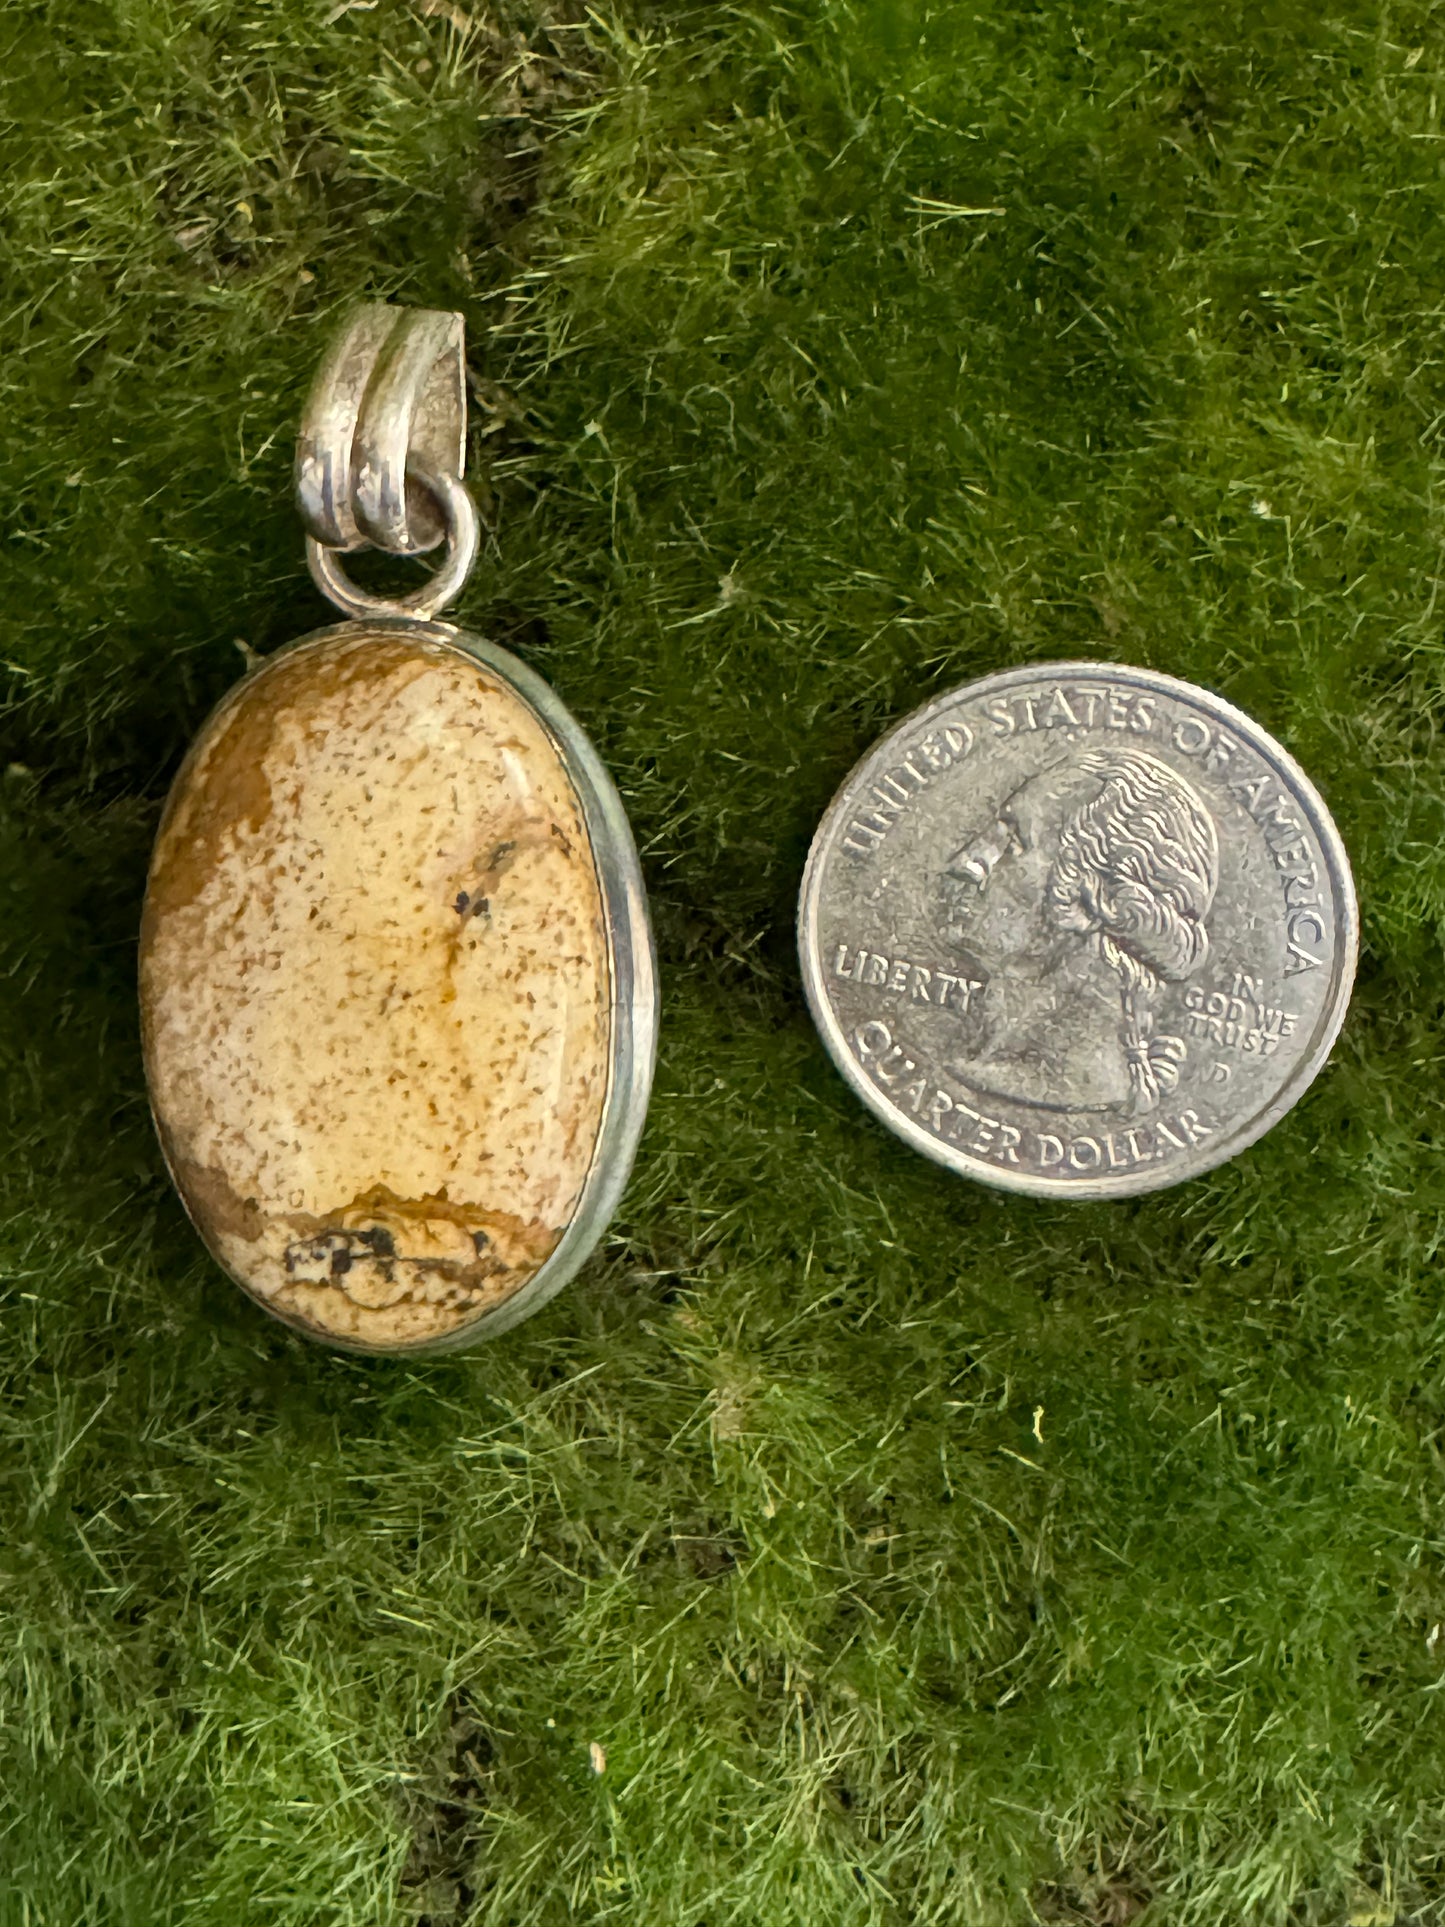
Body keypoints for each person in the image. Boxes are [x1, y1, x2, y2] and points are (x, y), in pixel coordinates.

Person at [940, 748, 1219, 1115]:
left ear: (1092, 900)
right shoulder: (980, 1066)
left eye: (1013, 841)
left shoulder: (1042, 1082)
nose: (966, 864)